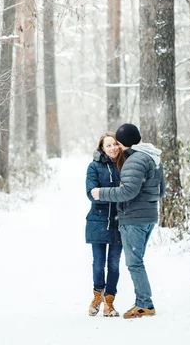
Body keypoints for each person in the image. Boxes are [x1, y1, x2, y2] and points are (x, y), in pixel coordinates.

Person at [91, 123, 165, 319]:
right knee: (137, 261)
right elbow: (161, 191)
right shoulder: (154, 157)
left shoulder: (134, 160)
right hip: (149, 216)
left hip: (134, 218)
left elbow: (127, 192)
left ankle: (144, 304)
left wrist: (101, 193)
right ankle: (144, 302)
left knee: (134, 263)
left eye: (119, 142)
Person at [85, 132, 124, 317]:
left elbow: (130, 192)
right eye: (108, 145)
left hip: (119, 221)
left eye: (115, 144)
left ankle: (109, 302)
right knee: (98, 264)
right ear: (102, 148)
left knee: (114, 264)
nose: (113, 148)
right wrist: (117, 193)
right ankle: (97, 295)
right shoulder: (94, 167)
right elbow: (91, 193)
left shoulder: (125, 164)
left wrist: (104, 193)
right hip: (98, 221)